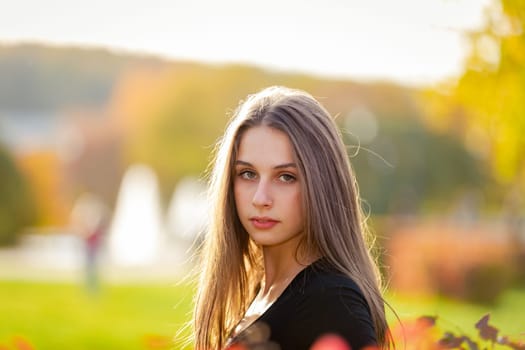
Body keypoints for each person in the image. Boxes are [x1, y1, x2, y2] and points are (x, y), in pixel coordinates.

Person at [193, 86, 391, 350]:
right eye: (248, 174)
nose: (261, 198)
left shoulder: (332, 303)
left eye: (286, 177)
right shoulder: (262, 293)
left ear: (322, 184)